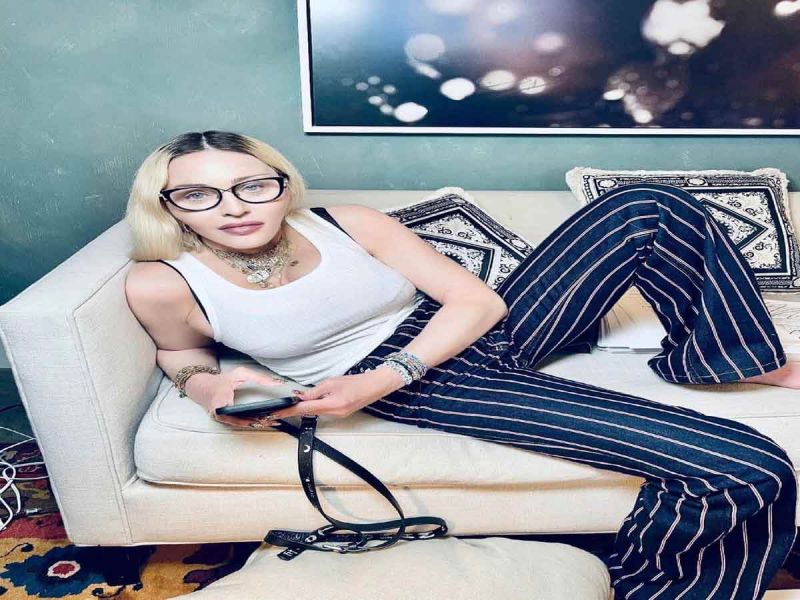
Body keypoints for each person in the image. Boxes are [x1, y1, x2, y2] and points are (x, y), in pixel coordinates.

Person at [124, 130, 797, 599]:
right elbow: (181, 353)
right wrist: (211, 389)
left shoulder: (348, 222)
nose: (234, 207)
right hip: (433, 384)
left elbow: (476, 301)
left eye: (252, 185)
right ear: (167, 205)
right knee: (744, 465)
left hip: (452, 337)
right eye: (200, 195)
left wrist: (387, 375)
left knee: (647, 206)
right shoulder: (164, 282)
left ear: (281, 185)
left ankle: (722, 358)